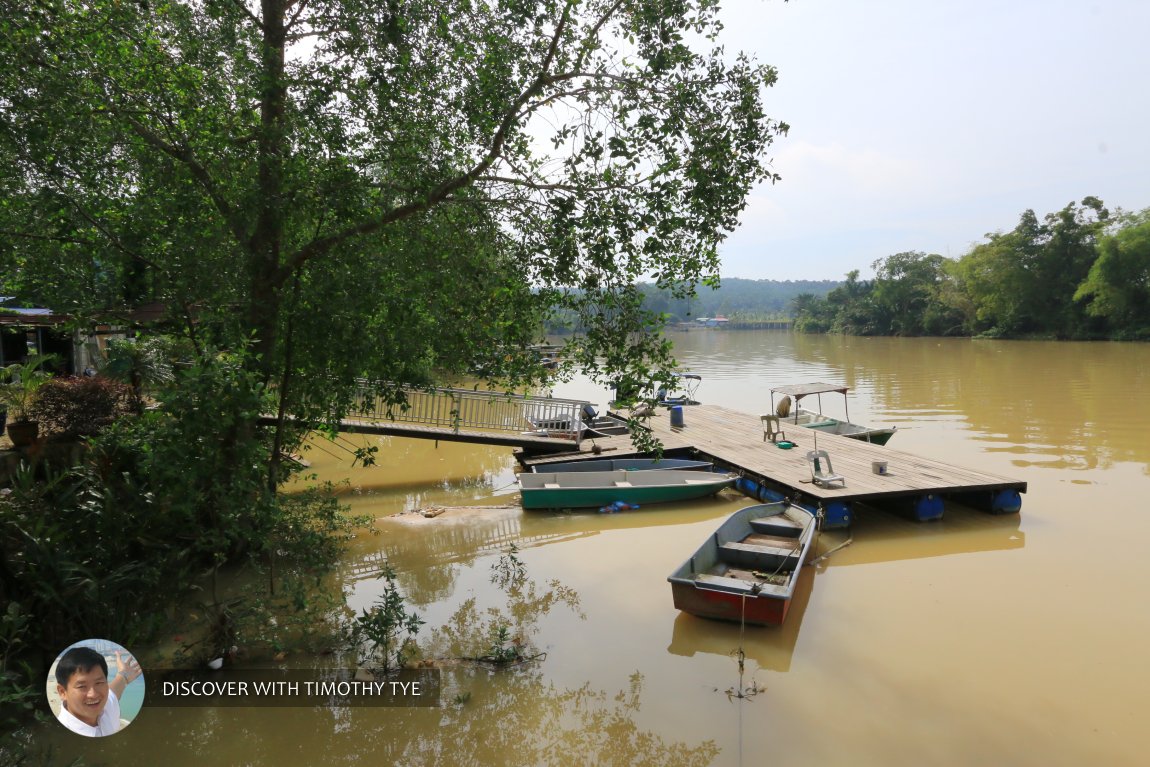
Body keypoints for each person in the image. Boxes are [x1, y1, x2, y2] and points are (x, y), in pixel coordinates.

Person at [54, 645, 142, 737]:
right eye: (82, 686)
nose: (93, 694)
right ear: (62, 692)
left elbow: (115, 689)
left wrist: (124, 675)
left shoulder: (106, 706)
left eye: (99, 683)